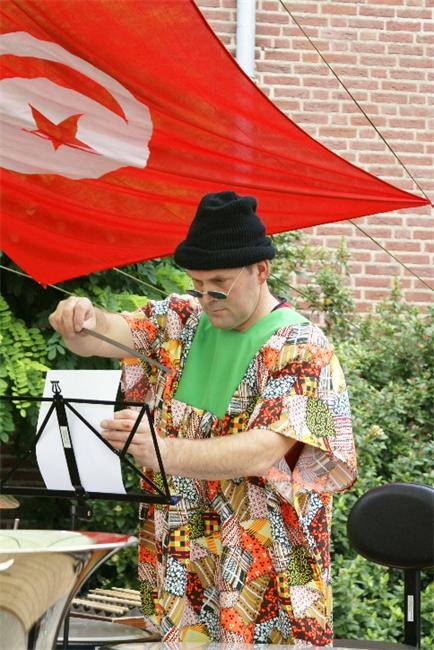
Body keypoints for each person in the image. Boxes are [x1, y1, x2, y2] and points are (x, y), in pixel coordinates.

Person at [49, 191, 357, 646]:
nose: (207, 298)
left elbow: (264, 450)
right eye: (197, 284)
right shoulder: (185, 321)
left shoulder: (302, 347)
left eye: (219, 284)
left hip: (263, 572)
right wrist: (82, 319)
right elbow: (108, 335)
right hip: (183, 558)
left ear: (260, 271)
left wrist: (163, 451)